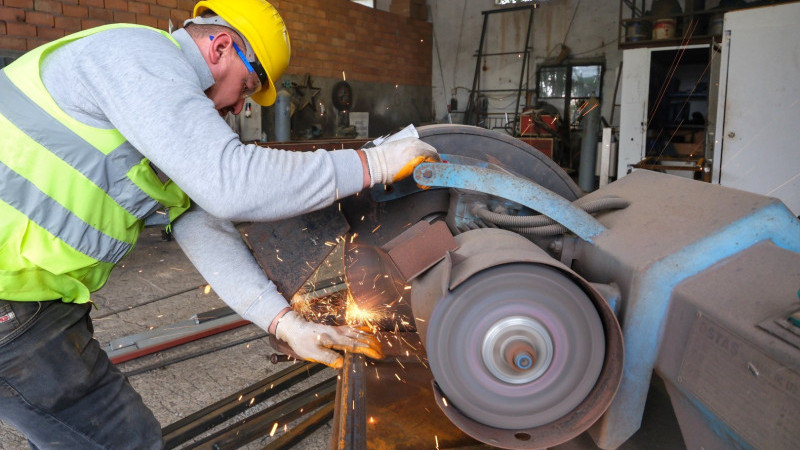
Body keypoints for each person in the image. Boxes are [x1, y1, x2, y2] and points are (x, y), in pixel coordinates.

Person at [0, 0, 439, 447]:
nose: (239, 107)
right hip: (11, 300)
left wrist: (285, 324)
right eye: (246, 87)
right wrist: (372, 164)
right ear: (222, 46)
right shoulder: (136, 58)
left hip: (38, 300)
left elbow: (203, 224)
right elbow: (229, 183)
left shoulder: (157, 111)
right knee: (127, 440)